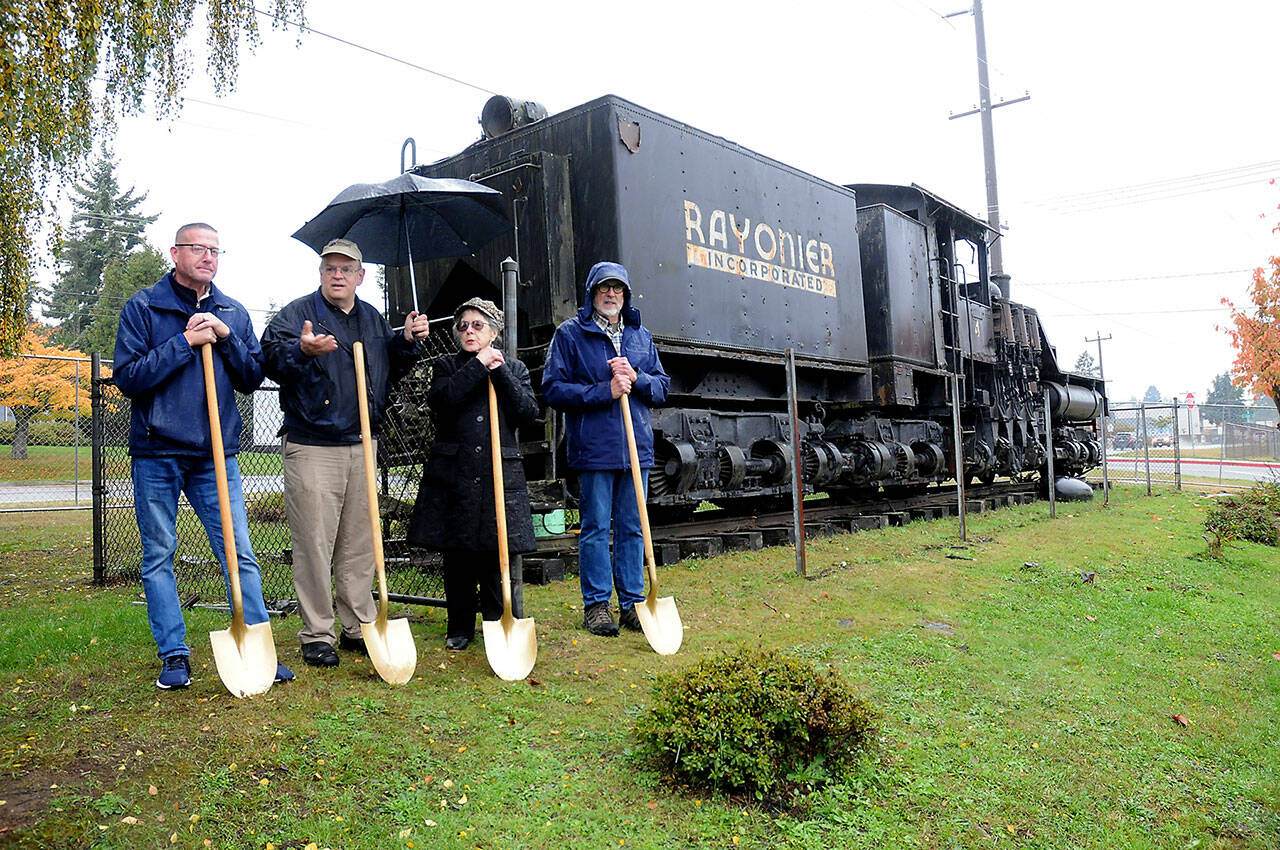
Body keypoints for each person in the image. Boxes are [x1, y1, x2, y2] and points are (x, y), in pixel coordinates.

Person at [113, 222, 294, 689]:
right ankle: (174, 654)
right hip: (157, 451)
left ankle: (257, 645)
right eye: (199, 248)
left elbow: (253, 377)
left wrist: (225, 336)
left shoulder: (231, 310)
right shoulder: (144, 306)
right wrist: (184, 344)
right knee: (159, 555)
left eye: (216, 250)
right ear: (175, 253)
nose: (209, 257)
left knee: (239, 553)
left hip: (216, 452)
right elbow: (129, 378)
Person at [259, 238, 429, 668]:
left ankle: (357, 625)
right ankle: (318, 632)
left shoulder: (373, 320)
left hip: (363, 443)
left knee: (360, 543)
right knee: (314, 543)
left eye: (345, 268)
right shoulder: (296, 316)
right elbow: (270, 360)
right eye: (329, 268)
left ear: (360, 275)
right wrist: (301, 350)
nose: (337, 275)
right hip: (314, 443)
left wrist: (406, 341)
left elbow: (389, 370)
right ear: (321, 274)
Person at [542, 261, 670, 636]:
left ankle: (632, 603)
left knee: (633, 528)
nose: (610, 294)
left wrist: (637, 378)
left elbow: (662, 387)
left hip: (637, 450)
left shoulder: (640, 336)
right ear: (591, 294)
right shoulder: (570, 335)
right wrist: (605, 391)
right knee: (596, 528)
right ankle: (597, 605)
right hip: (594, 448)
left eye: (617, 289)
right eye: (603, 288)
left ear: (625, 295)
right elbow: (553, 389)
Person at [406, 298, 540, 650]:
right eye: (462, 325)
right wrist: (478, 367)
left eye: (478, 325)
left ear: (494, 332)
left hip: (499, 473)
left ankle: (498, 624)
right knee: (458, 555)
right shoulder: (447, 366)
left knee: (496, 555)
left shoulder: (514, 368)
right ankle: (460, 627)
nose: (469, 331)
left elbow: (527, 413)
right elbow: (443, 402)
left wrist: (499, 371)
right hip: (455, 475)